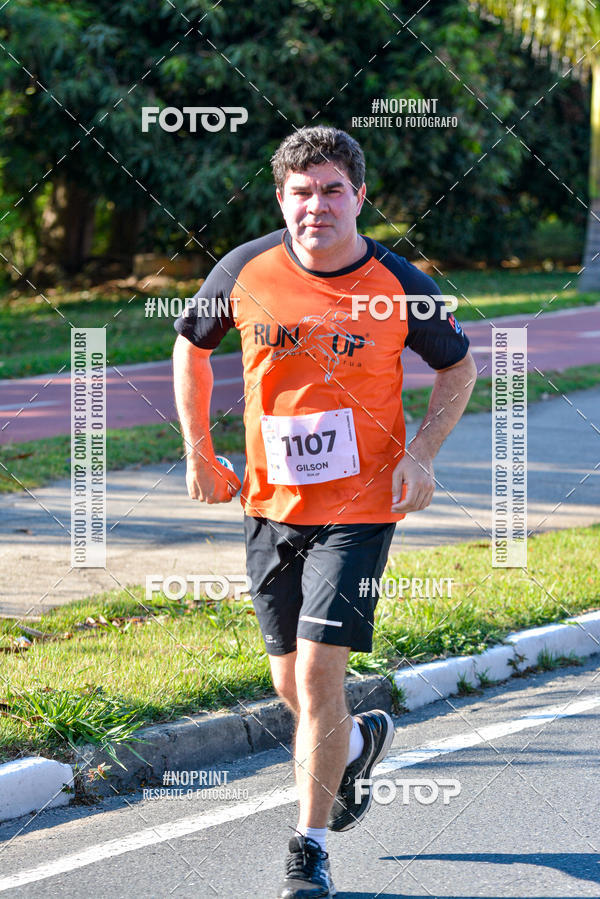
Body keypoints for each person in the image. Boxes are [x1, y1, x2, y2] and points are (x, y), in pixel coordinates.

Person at [173, 125, 476, 898]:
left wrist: (422, 452)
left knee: (316, 673)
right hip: (270, 505)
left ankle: (308, 848)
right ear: (282, 199)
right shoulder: (246, 268)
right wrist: (200, 452)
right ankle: (362, 739)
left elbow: (459, 366)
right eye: (301, 192)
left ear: (359, 196)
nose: (317, 206)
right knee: (293, 686)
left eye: (332, 190)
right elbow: (191, 346)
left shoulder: (398, 280)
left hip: (363, 503)